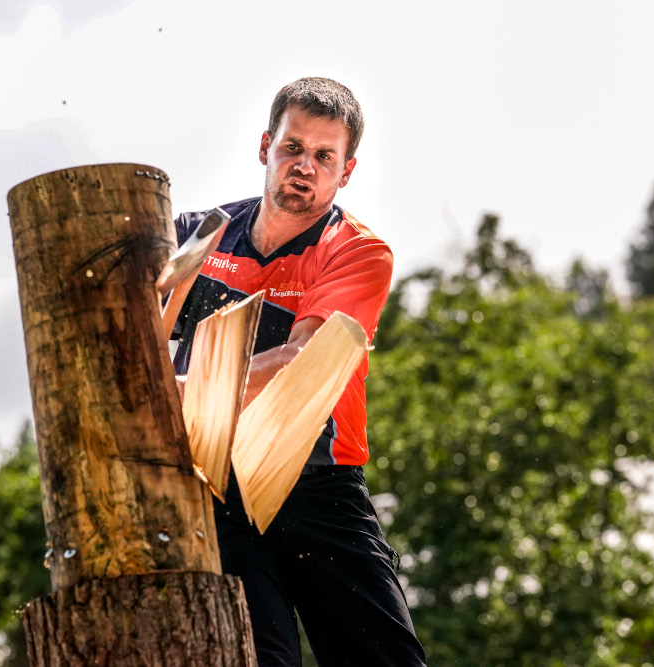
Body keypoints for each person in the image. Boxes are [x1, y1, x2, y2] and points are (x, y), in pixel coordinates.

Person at [170, 77, 426, 666]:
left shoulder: (358, 252)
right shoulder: (196, 235)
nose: (304, 167)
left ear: (346, 170)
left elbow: (299, 363)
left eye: (323, 156)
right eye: (293, 148)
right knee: (258, 658)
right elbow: (134, 329)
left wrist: (178, 391)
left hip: (319, 485)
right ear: (266, 147)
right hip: (219, 490)